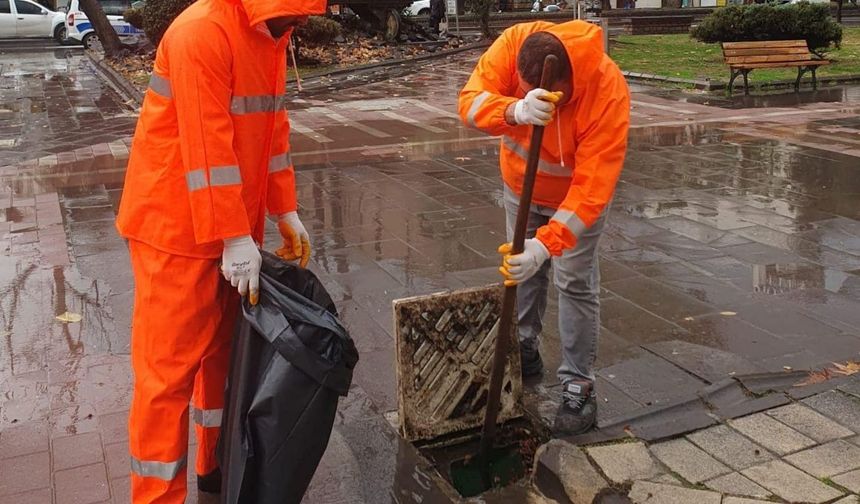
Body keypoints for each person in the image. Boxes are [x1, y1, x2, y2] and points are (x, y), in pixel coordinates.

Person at [114, 0, 319, 500]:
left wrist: (283, 209)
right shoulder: (201, 34)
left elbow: (271, 129)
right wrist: (234, 236)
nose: (293, 28)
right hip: (174, 233)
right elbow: (205, 143)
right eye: (290, 19)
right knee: (167, 379)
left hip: (232, 229)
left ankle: (215, 471)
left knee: (222, 363)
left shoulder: (269, 31)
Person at [458, 20, 630, 435]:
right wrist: (511, 109)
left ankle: (578, 382)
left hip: (574, 199)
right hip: (521, 182)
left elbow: (592, 189)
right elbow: (468, 103)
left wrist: (546, 244)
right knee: (523, 275)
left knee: (574, 280)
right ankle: (525, 346)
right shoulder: (516, 42)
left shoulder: (606, 90)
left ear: (571, 83)